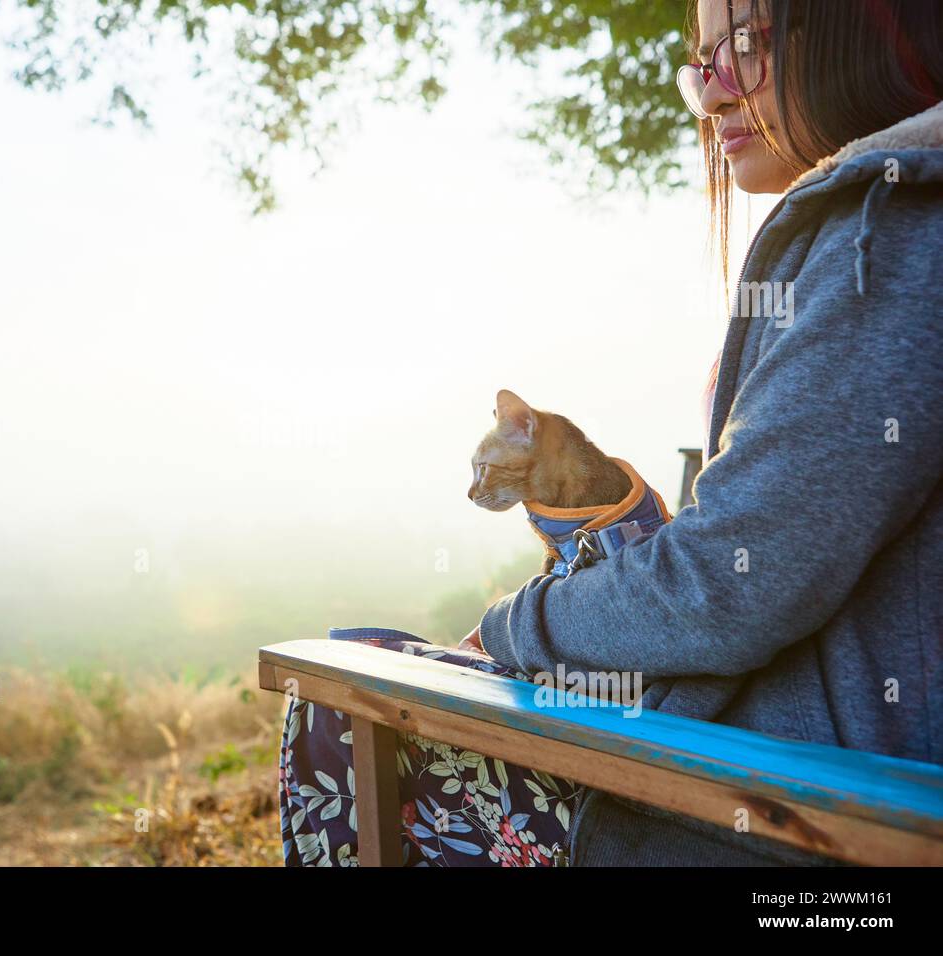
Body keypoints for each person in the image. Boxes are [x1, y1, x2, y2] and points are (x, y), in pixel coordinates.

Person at [279, 0, 943, 866]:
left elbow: (728, 588)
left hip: (800, 804)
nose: (709, 97)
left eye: (741, 45)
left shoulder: (888, 234)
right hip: (775, 749)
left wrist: (519, 625)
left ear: (861, 25)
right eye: (697, 64)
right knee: (367, 655)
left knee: (339, 704)